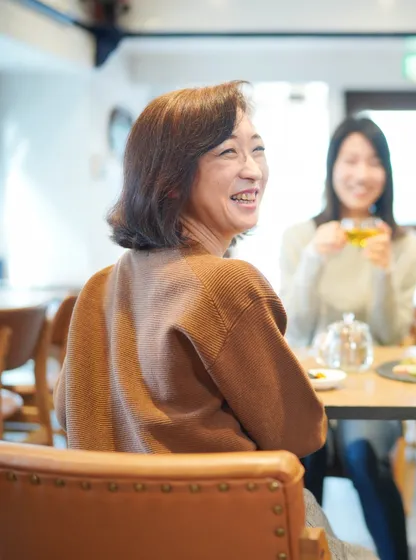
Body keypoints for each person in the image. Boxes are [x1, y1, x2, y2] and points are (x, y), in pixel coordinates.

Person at [54, 81, 376, 560]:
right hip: (230, 531)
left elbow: (68, 411)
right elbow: (301, 434)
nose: (253, 169)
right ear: (171, 179)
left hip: (118, 538)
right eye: (228, 152)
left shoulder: (99, 286)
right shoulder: (227, 284)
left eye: (257, 149)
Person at [280, 116, 416, 560]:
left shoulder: (405, 244)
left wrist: (383, 272)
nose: (361, 174)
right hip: (312, 385)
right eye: (350, 160)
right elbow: (295, 330)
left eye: (373, 162)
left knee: (362, 453)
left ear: (386, 173)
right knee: (307, 454)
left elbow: (391, 335)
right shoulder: (300, 238)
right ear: (331, 168)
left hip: (375, 387)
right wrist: (313, 261)